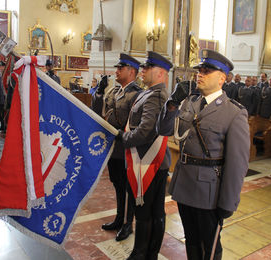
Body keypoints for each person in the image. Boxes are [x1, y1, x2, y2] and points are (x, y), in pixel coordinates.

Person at [157, 49, 250, 259]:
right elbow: (162, 130)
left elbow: (237, 165)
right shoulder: (190, 102)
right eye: (200, 70)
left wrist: (228, 202)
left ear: (222, 78)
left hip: (209, 193)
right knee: (191, 241)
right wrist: (172, 103)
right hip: (184, 186)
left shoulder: (234, 113)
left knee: (210, 248)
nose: (200, 74)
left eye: (207, 71)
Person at [117, 51, 172, 259]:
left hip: (149, 163)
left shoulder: (157, 96)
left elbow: (146, 131)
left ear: (160, 74)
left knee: (146, 213)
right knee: (150, 212)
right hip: (145, 161)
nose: (143, 70)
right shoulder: (149, 92)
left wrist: (122, 138)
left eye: (148, 68)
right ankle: (147, 253)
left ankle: (142, 253)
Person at [92, 53, 142, 241]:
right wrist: (99, 92)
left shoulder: (136, 94)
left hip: (127, 148)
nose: (117, 71)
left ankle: (128, 224)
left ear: (132, 72)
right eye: (117, 68)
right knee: (118, 185)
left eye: (121, 68)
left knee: (128, 188)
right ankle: (119, 218)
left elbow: (134, 123)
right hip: (113, 147)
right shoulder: (113, 92)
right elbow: (98, 112)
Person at [0, 61, 6, 132]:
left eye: (2, 66)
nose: (1, 68)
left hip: (6, 95)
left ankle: (5, 125)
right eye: (0, 67)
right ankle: (2, 125)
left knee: (5, 111)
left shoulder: (6, 74)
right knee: (0, 112)